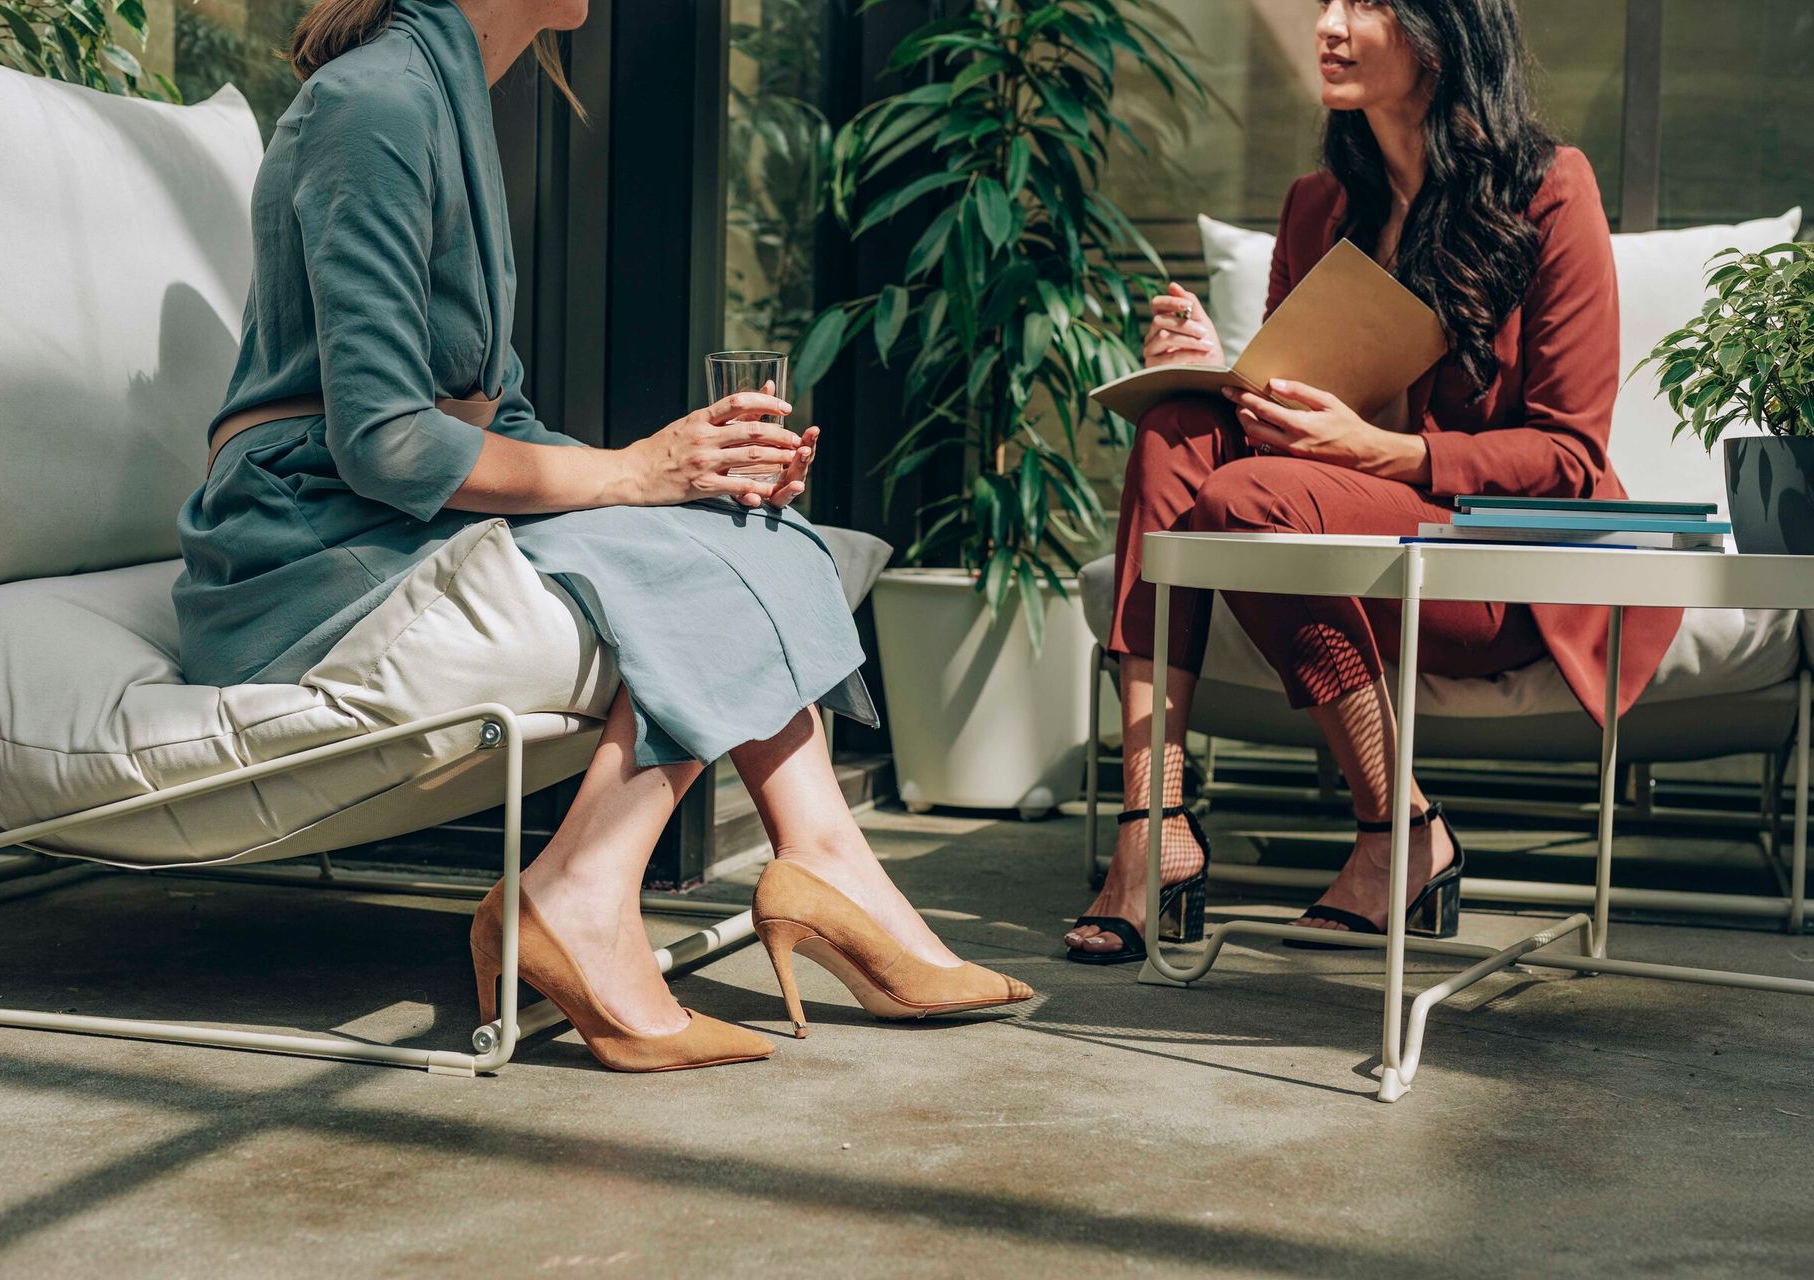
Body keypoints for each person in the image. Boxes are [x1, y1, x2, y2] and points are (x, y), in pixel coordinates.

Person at [172, 0, 1030, 1070]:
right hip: (298, 543)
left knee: (744, 525)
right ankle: (590, 888)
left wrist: (687, 475)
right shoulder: (374, 104)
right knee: (705, 546)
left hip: (376, 514)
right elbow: (385, 441)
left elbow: (495, 411)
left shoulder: (443, 102)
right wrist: (635, 472)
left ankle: (816, 857)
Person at [1064, 0, 1682, 963]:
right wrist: (1217, 371)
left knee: (1244, 504)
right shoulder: (1320, 203)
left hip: (1492, 567)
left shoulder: (1551, 189)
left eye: (1368, 5)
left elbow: (1568, 456)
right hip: (1338, 528)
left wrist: (1379, 451)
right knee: (1177, 425)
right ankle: (1152, 828)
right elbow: (1291, 393)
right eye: (1326, 2)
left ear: (1444, 32)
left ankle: (1399, 832)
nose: (1329, 25)